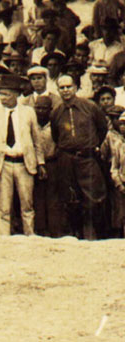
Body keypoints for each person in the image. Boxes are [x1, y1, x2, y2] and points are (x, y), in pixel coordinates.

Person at [0, 74, 45, 236]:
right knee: (4, 207)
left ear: (17, 95)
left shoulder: (28, 112)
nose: (3, 98)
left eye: (7, 95)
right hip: (3, 164)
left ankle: (29, 236)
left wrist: (40, 163)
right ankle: (4, 239)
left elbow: (37, 140)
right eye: (1, 95)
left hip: (24, 164)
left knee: (27, 205)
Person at [51, 75, 109, 240]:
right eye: (62, 88)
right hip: (66, 159)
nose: (66, 90)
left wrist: (91, 145)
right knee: (70, 199)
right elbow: (56, 135)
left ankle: (98, 235)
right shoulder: (56, 112)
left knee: (95, 197)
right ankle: (75, 234)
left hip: (87, 158)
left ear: (75, 87)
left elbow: (102, 128)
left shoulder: (90, 107)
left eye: (69, 86)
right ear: (58, 90)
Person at [33, 95, 63, 237]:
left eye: (44, 108)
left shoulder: (55, 124)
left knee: (53, 198)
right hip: (35, 165)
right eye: (37, 108)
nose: (40, 111)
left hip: (52, 163)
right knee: (38, 198)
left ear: (50, 110)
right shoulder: (31, 124)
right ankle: (40, 230)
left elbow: (61, 141)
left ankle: (54, 231)